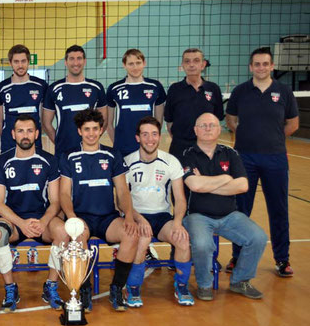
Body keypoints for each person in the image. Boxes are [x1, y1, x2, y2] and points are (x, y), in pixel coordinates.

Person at [225, 47, 299, 277]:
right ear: (250, 67)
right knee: (240, 210)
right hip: (244, 158)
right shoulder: (240, 91)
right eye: (257, 64)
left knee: (278, 209)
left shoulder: (283, 91)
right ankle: (237, 256)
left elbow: (293, 123)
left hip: (275, 158)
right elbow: (230, 119)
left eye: (265, 64)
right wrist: (246, 136)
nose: (261, 68)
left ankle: (282, 259)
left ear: (272, 66)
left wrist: (273, 138)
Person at [58, 109, 138, 312]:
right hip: (81, 216)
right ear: (79, 131)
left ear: (101, 130)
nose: (91, 133)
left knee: (131, 234)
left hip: (107, 218)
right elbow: (64, 193)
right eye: (87, 129)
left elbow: (122, 191)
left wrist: (129, 215)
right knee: (77, 238)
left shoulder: (112, 155)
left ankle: (117, 288)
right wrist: (72, 218)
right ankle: (84, 290)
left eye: (95, 129)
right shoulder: (69, 156)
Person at [182, 113, 268, 301]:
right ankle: (204, 285)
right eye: (203, 125)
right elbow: (194, 185)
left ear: (219, 129)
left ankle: (240, 281)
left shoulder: (230, 153)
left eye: (212, 125)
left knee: (258, 238)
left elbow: (243, 186)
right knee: (203, 245)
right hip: (197, 216)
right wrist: (226, 178)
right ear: (195, 130)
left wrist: (206, 185)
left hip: (230, 215)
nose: (208, 129)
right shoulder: (187, 154)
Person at [0, 115, 68, 312]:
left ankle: (51, 286)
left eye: (29, 131)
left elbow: (56, 201)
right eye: (20, 131)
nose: (25, 135)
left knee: (63, 232)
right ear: (13, 134)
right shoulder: (1, 161)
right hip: (14, 221)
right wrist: (21, 223)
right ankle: (10, 287)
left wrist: (43, 221)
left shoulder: (49, 160)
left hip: (43, 220)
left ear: (36, 134)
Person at [124, 116, 194, 307]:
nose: (150, 139)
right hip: (136, 215)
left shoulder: (171, 161)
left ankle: (181, 286)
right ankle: (133, 287)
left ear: (160, 136)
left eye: (154, 134)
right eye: (145, 134)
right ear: (138, 138)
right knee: (142, 239)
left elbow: (180, 199)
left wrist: (177, 223)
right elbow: (122, 201)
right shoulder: (127, 162)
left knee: (182, 239)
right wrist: (139, 220)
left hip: (162, 216)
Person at [42, 45, 107, 156]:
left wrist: (91, 140)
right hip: (63, 152)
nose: (76, 63)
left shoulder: (96, 88)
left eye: (79, 58)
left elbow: (104, 120)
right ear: (65, 62)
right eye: (71, 59)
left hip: (90, 151)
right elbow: (46, 123)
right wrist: (58, 142)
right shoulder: (54, 89)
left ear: (85, 61)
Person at [164, 48, 224, 162]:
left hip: (207, 147)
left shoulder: (213, 88)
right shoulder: (174, 89)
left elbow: (217, 118)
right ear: (182, 65)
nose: (191, 65)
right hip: (180, 147)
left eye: (196, 60)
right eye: (187, 61)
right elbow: (169, 122)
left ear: (203, 64)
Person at [106, 49, 166, 157]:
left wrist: (151, 142)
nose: (135, 67)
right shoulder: (114, 88)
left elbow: (158, 122)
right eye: (131, 64)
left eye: (138, 63)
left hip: (146, 149)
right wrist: (118, 144)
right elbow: (109, 124)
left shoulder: (155, 87)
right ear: (124, 65)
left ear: (144, 63)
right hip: (122, 149)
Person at [0, 44, 48, 153]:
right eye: (16, 61)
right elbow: (0, 121)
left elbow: (44, 119)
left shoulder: (41, 85)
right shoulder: (1, 87)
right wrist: (5, 138)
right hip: (9, 144)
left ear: (28, 62)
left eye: (23, 61)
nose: (20, 65)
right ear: (10, 63)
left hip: (34, 143)